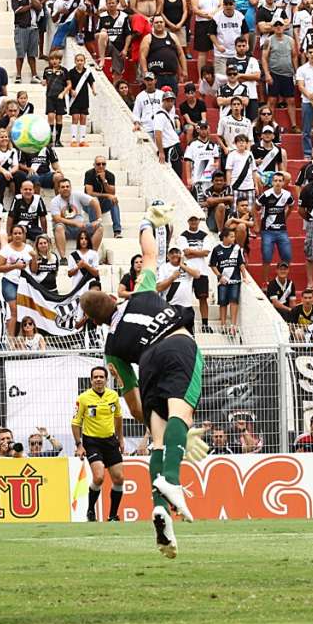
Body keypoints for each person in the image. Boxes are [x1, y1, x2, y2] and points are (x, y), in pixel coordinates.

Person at [78, 206, 210, 558]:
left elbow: (134, 403)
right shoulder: (142, 292)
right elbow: (150, 253)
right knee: (182, 415)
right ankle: (172, 480)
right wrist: (147, 222)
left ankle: (159, 508)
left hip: (147, 362)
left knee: (157, 439)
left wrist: (154, 424)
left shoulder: (111, 350)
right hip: (177, 344)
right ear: (112, 296)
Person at [72, 366, 125, 522]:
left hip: (110, 441)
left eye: (101, 377)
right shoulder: (83, 398)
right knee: (99, 477)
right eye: (95, 377)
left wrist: (120, 438)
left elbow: (118, 417)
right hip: (92, 441)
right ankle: (90, 511)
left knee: (119, 478)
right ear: (91, 380)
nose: (98, 379)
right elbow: (75, 423)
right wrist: (79, 445)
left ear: (106, 380)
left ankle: (113, 515)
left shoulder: (113, 396)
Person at [210, 227, 249, 336]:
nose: (234, 238)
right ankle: (223, 324)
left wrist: (245, 277)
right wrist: (219, 276)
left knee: (234, 301)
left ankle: (233, 325)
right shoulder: (217, 249)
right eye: (231, 236)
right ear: (225, 237)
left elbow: (241, 264)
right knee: (222, 302)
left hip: (235, 280)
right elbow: (213, 265)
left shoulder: (237, 249)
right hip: (222, 281)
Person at [10, 0, 41, 82]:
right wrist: (31, 6)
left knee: (32, 54)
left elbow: (39, 7)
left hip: (33, 28)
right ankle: (18, 76)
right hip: (21, 27)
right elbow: (18, 11)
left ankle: (34, 75)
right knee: (20, 53)